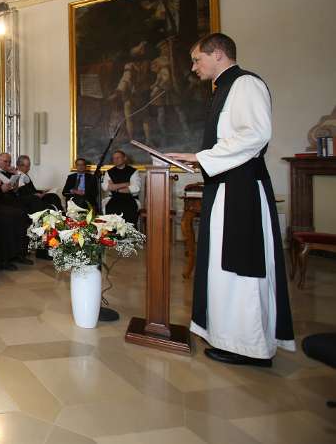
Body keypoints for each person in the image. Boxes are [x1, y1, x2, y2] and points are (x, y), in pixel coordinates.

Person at [168, 32, 294, 367]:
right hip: (226, 187)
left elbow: (255, 134)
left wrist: (201, 157)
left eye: (197, 59)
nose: (194, 67)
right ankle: (230, 338)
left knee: (241, 265)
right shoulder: (223, 88)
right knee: (222, 266)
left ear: (219, 54)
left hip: (241, 190)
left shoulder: (245, 84)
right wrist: (202, 158)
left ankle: (250, 345)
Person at [102, 150, 140, 224]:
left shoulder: (133, 171)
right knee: (111, 209)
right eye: (114, 158)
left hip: (129, 198)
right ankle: (112, 234)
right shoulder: (109, 172)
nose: (115, 160)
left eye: (118, 158)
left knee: (128, 210)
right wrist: (126, 184)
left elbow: (136, 187)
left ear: (124, 158)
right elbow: (106, 187)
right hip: (114, 198)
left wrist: (115, 187)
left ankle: (129, 234)